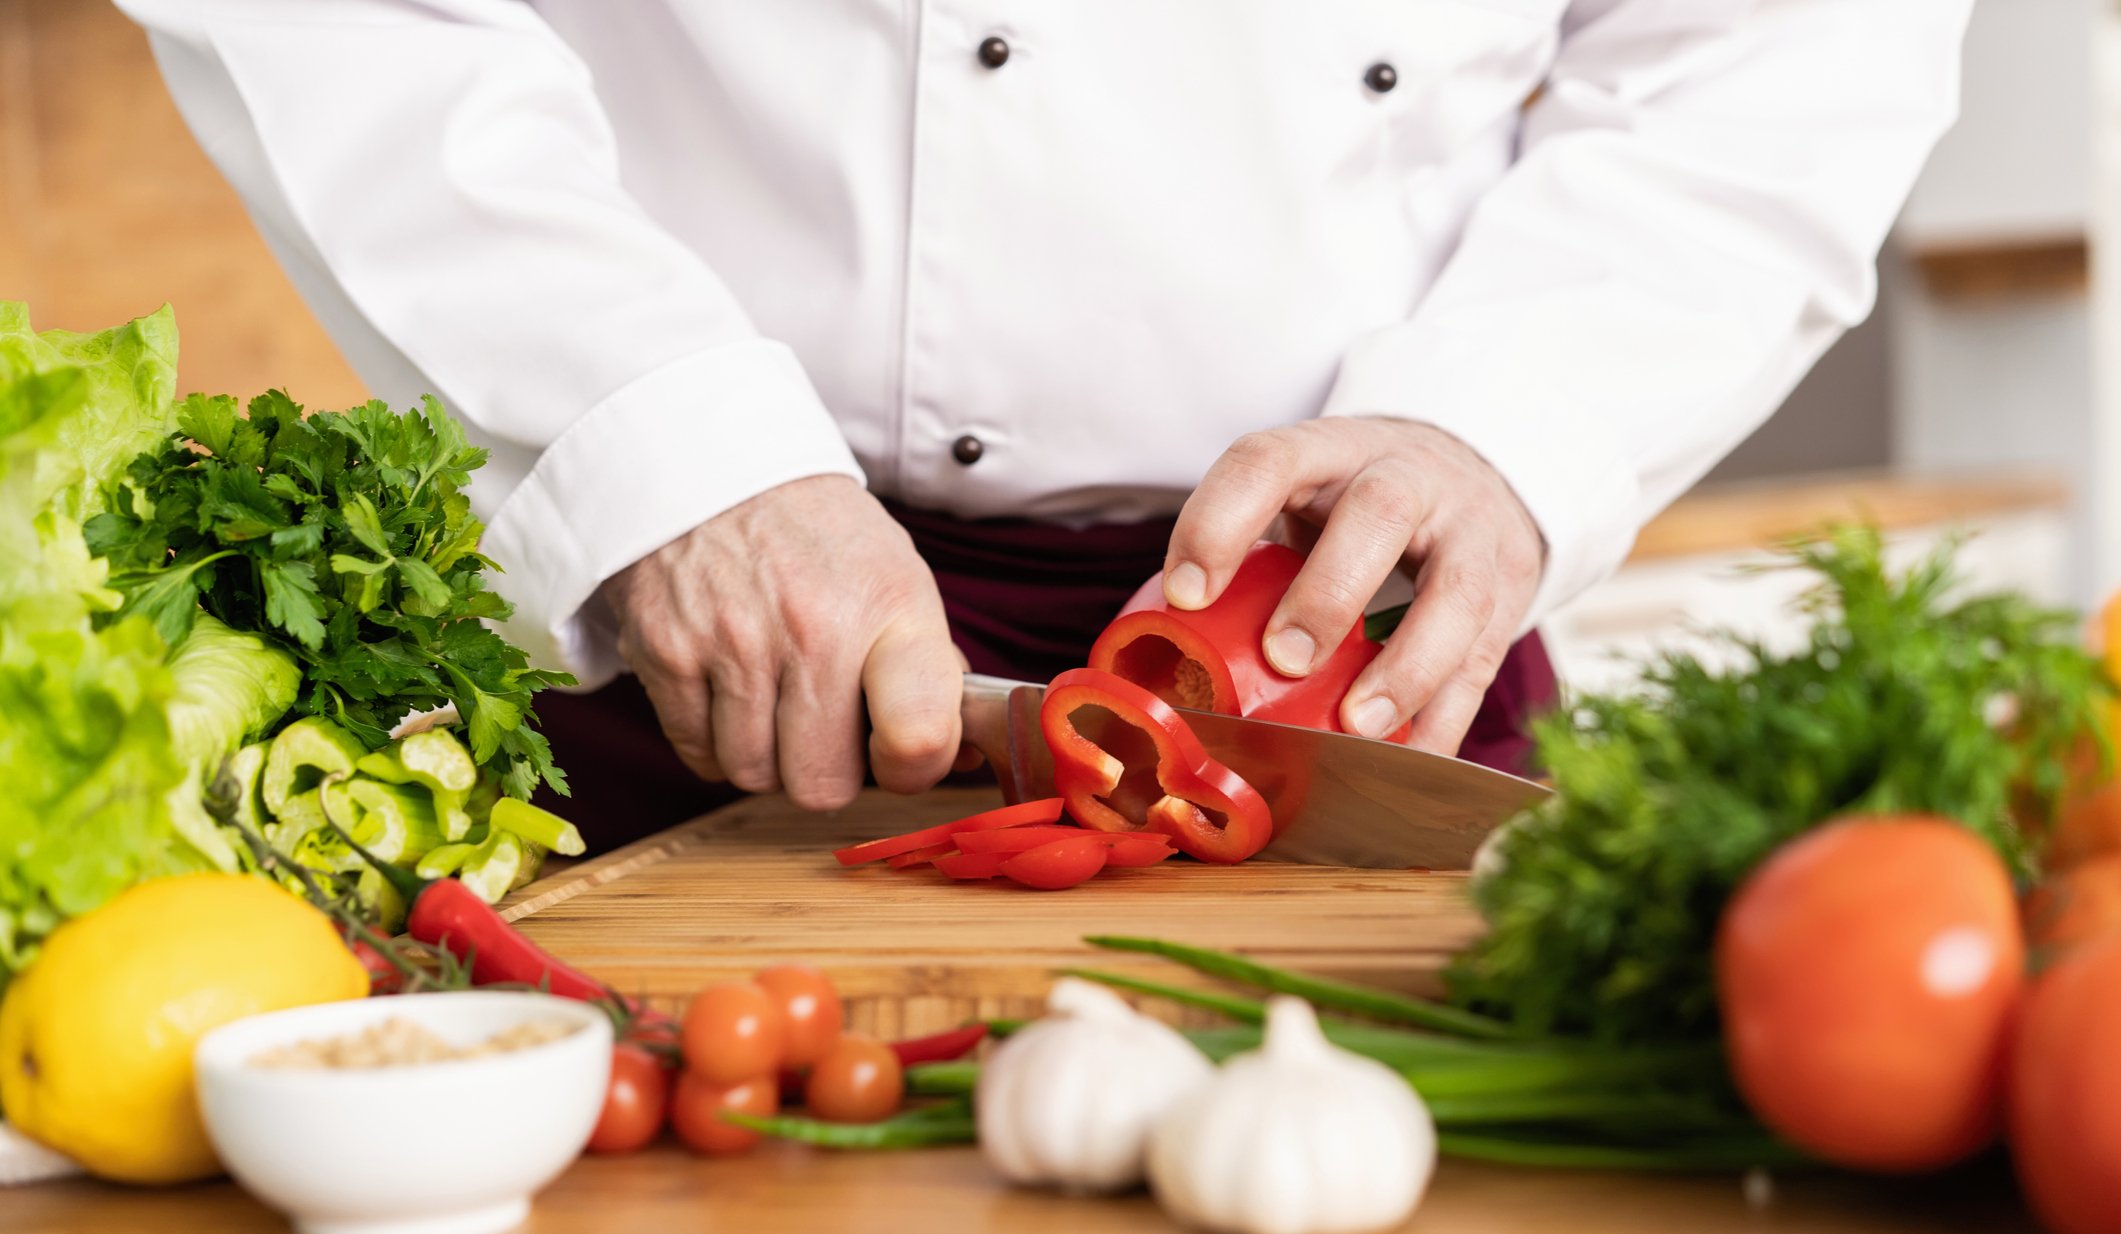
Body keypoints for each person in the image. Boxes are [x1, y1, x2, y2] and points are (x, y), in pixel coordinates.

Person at [120, 0, 1972, 848]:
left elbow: (1794, 42)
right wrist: (652, 434)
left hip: (1363, 651)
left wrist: (1509, 423)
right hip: (699, 614)